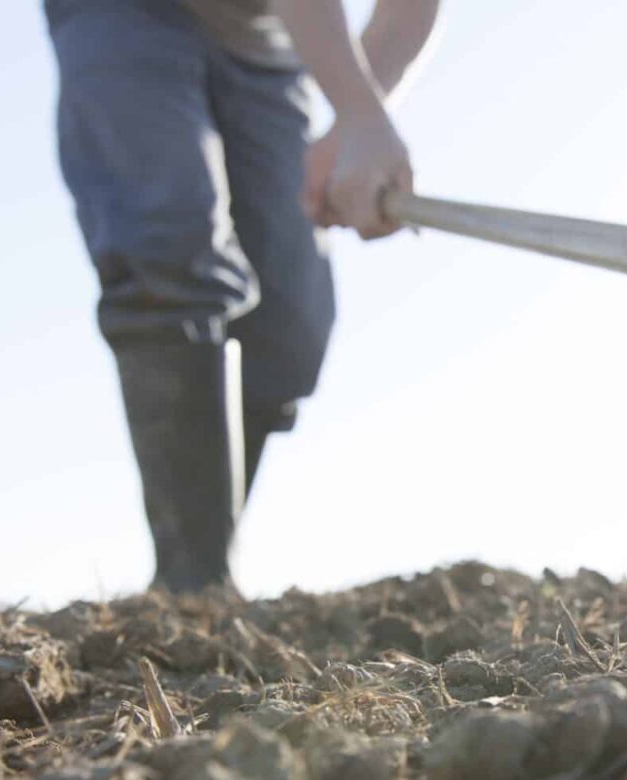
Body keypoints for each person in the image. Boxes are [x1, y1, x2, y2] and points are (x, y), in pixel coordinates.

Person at [44, 0, 440, 592]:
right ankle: (193, 586)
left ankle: (207, 563)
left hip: (262, 42)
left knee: (289, 320)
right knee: (169, 237)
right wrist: (359, 114)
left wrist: (354, 123)